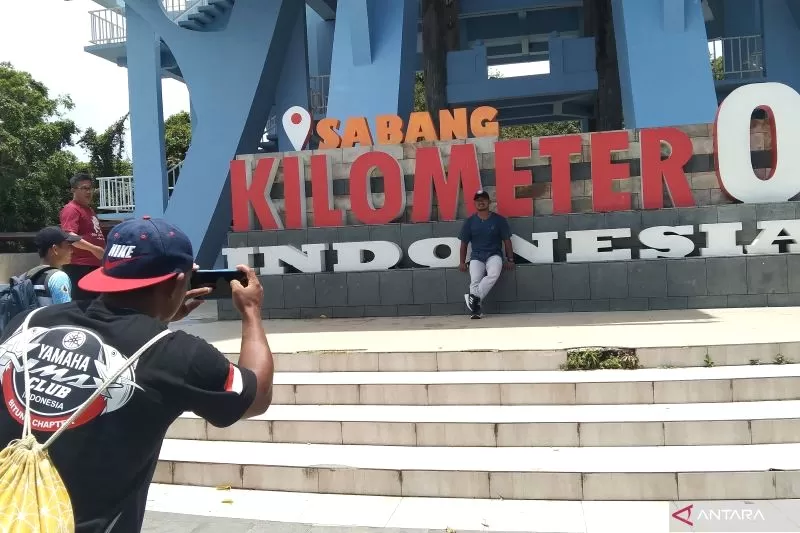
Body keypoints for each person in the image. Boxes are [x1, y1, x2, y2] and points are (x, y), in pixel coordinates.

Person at [0, 216, 274, 533]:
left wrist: (160, 318)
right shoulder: (179, 355)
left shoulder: (28, 320)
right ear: (177, 282)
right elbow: (255, 394)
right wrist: (251, 312)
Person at [458, 189, 515, 319]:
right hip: (476, 256)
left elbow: (507, 240)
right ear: (474, 203)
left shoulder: (499, 220)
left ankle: (474, 299)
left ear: (489, 202)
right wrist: (462, 262)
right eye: (478, 201)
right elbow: (464, 243)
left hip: (494, 255)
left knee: (494, 273)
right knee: (475, 281)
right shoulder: (470, 221)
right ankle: (476, 311)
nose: (481, 202)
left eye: (483, 200)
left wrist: (510, 259)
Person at [60, 172, 106, 301]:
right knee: (83, 308)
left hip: (94, 266)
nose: (89, 192)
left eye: (90, 188)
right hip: (79, 267)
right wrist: (95, 249)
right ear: (73, 190)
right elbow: (69, 235)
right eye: (84, 188)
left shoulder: (89, 210)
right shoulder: (71, 209)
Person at [30, 226, 81, 305]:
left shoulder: (29, 275)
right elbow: (63, 313)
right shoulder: (58, 277)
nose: (71, 251)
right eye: (68, 246)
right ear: (55, 249)